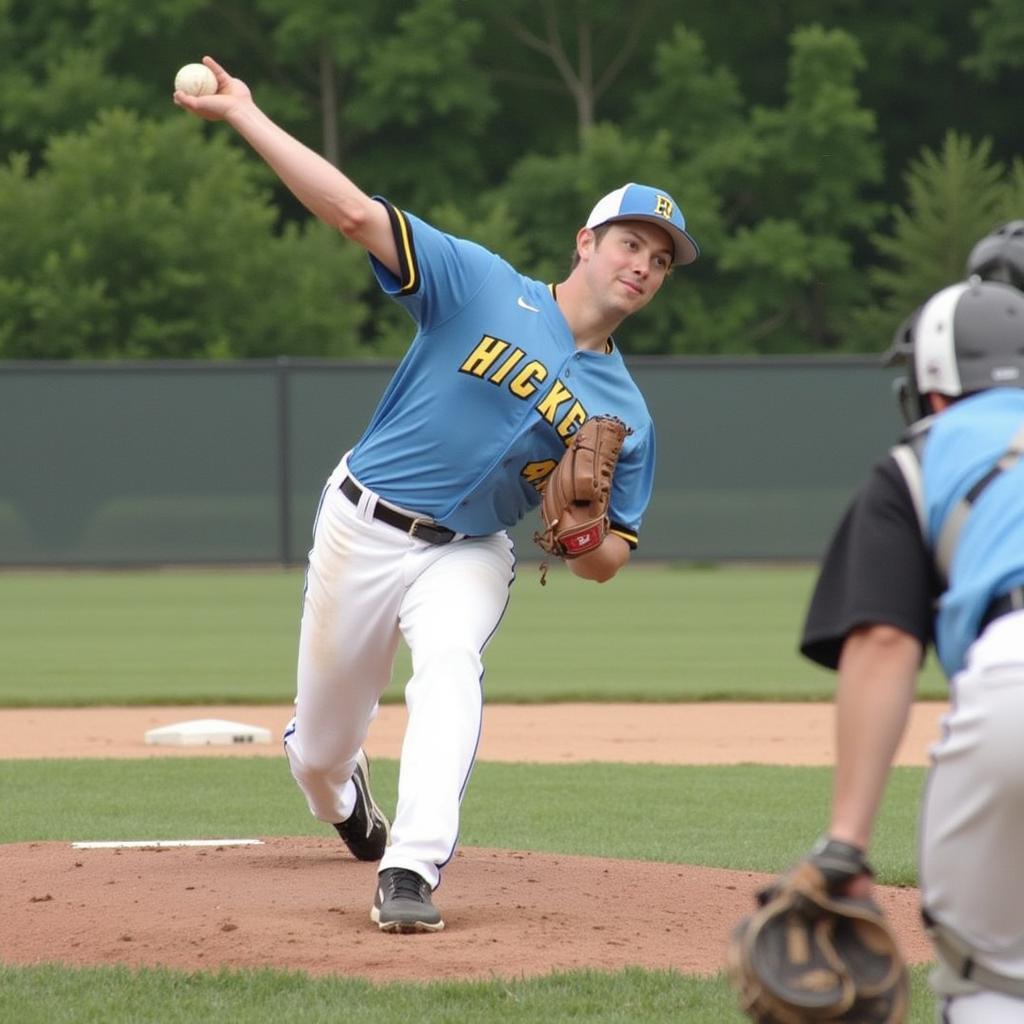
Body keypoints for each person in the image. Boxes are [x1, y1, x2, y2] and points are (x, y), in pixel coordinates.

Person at [174, 56, 699, 933]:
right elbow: (350, 212)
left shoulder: (627, 415)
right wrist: (244, 116)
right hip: (361, 522)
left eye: (659, 259)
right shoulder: (481, 285)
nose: (642, 265)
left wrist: (580, 539)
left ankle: (410, 869)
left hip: (469, 551)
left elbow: (609, 561)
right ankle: (345, 800)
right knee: (318, 755)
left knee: (450, 668)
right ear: (585, 242)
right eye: (629, 243)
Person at [796, 274, 1024, 1022]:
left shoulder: (922, 456)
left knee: (987, 974)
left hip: (1012, 675)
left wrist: (845, 848)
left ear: (931, 390)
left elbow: (886, 640)